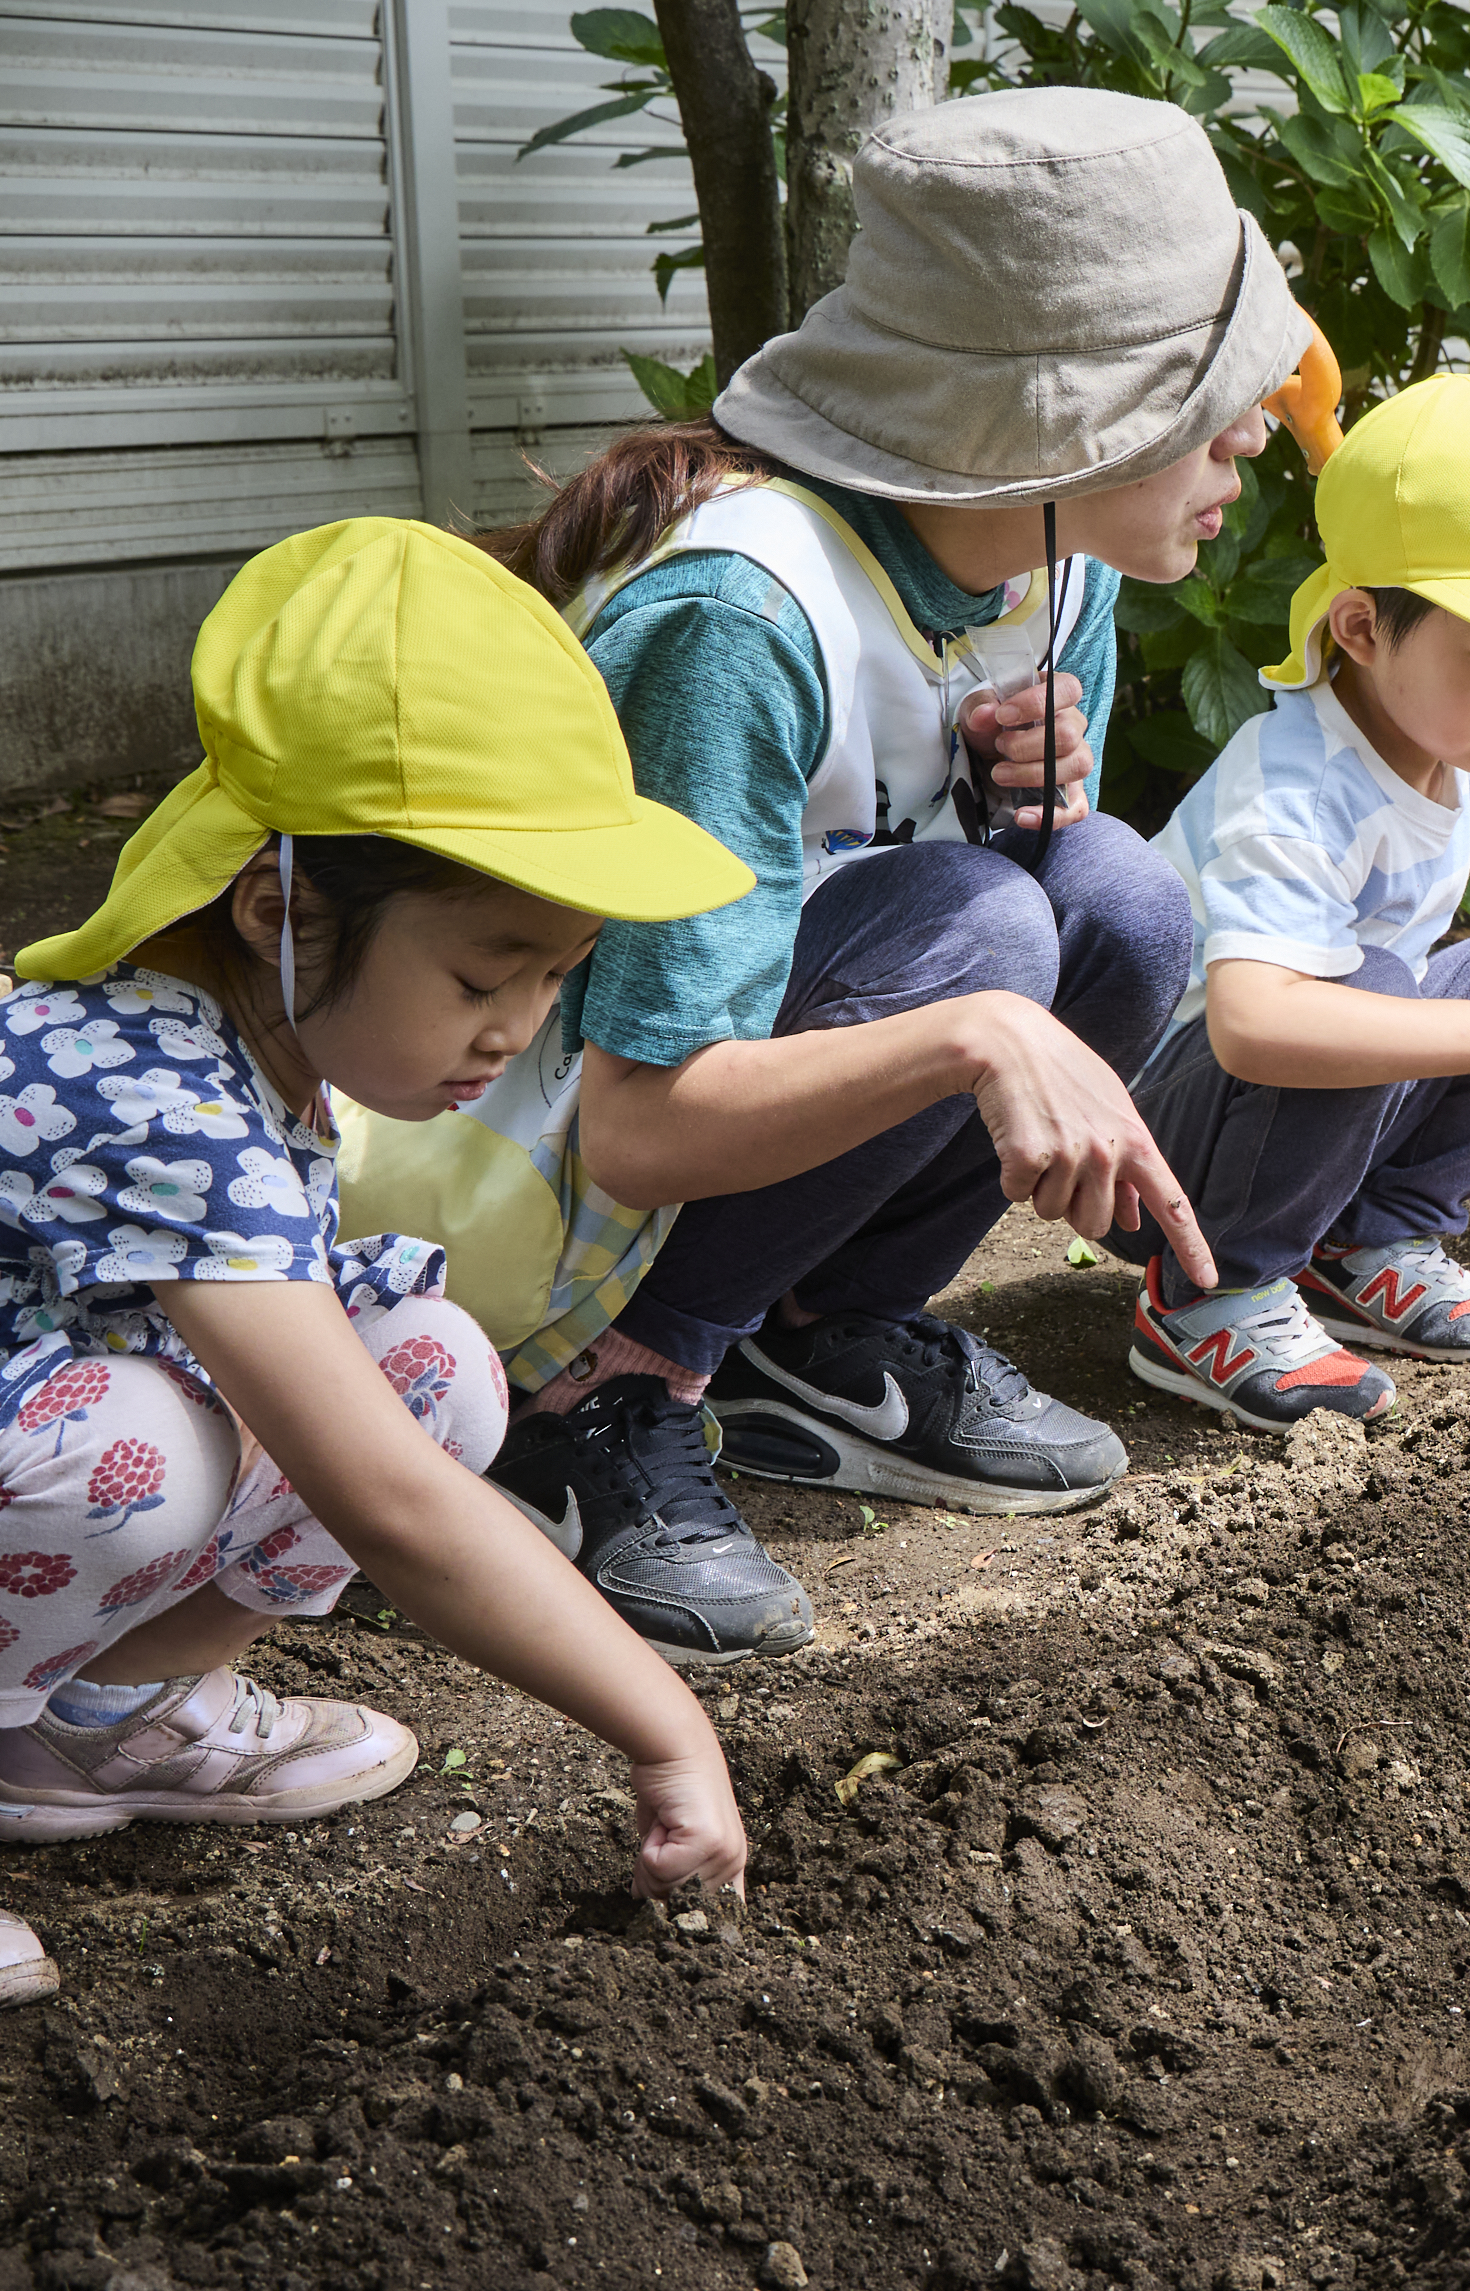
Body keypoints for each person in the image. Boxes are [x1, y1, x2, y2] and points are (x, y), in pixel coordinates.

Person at [0, 519, 755, 2026]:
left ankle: (103, 1717)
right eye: (476, 974)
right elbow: (384, 1499)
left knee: (431, 1361)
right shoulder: (154, 1095)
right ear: (280, 908)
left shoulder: (253, 1029)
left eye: (549, 975)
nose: (516, 1028)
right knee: (140, 1454)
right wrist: (664, 1725)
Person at [402, 90, 1290, 1665]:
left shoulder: (1049, 553)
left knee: (1112, 898)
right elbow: (634, 1116)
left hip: (730, 1086)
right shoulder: (736, 615)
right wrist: (978, 1027)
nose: (1258, 427)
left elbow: (913, 887)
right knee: (995, 928)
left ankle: (815, 1333)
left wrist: (993, 793)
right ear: (1047, 430)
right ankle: (588, 1395)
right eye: (1209, 399)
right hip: (514, 1156)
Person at [1113, 375, 1470, 1431]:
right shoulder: (1293, 786)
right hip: (1156, 1150)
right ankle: (1213, 1292)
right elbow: (1255, 1024)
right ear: (1363, 630)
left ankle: (1367, 1238)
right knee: (1371, 984)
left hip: (1298, 1108)